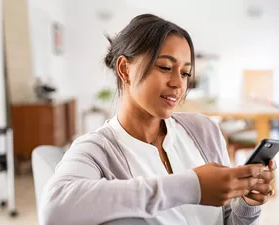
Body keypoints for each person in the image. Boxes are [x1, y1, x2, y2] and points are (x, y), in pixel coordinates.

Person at [40, 14, 276, 225]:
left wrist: (246, 204)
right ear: (124, 69)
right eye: (165, 67)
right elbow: (54, 210)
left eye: (185, 73)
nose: (178, 83)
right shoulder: (97, 150)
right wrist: (192, 187)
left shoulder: (204, 130)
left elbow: (228, 221)